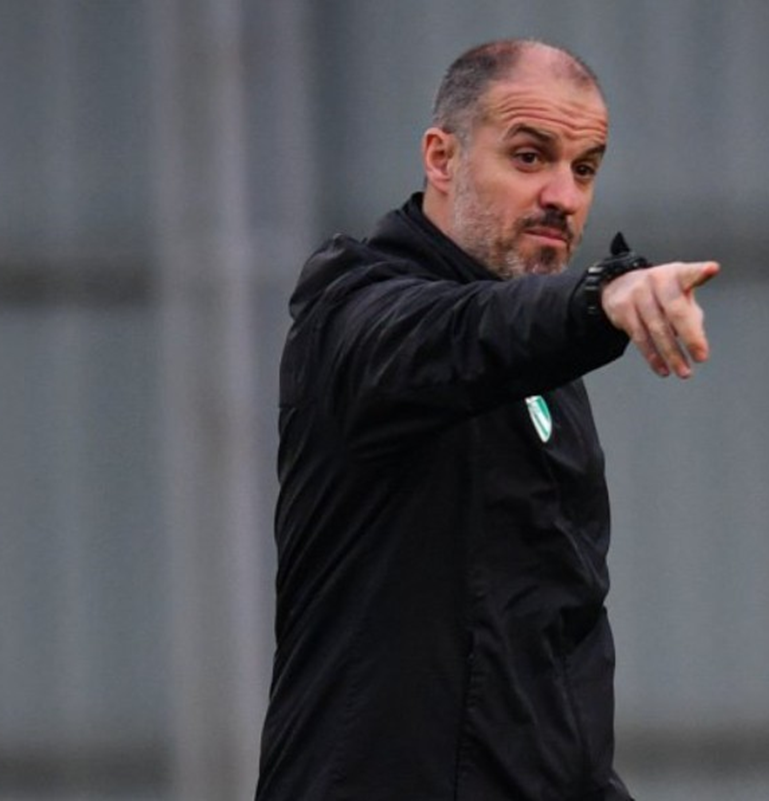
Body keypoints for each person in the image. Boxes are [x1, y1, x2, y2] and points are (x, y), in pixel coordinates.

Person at [255, 38, 719, 801]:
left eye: (585, 169)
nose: (563, 195)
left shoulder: (547, 371)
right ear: (442, 159)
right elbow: (467, 334)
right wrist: (598, 298)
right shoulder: (356, 315)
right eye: (530, 157)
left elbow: (551, 658)